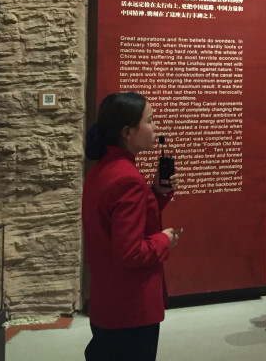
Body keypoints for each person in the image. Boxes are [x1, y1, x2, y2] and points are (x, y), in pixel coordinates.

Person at [82, 92, 180, 361]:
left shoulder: (102, 169)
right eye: (149, 120)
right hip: (130, 306)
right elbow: (130, 252)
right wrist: (165, 240)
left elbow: (120, 225)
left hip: (108, 301)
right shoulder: (127, 179)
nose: (155, 127)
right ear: (127, 132)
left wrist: (156, 194)